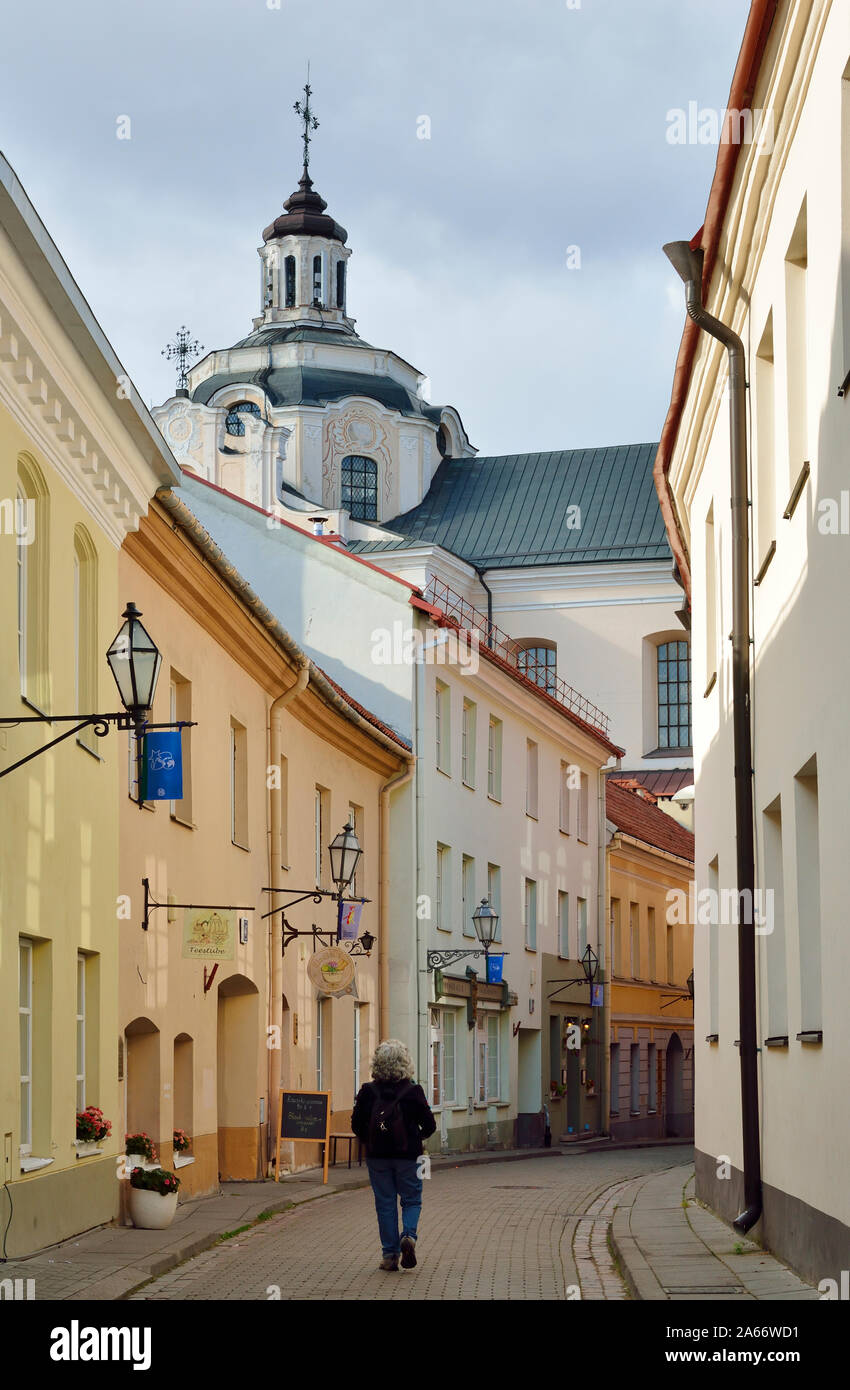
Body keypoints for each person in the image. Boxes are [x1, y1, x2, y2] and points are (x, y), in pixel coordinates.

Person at [351, 1039, 436, 1271]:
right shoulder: (414, 1091)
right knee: (412, 1199)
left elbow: (356, 1125)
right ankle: (408, 1235)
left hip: (377, 1157)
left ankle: (390, 1256)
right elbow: (430, 1125)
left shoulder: (368, 1092)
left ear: (377, 1063)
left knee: (385, 1203)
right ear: (405, 1062)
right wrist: (415, 1136)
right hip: (410, 1157)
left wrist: (371, 1140)